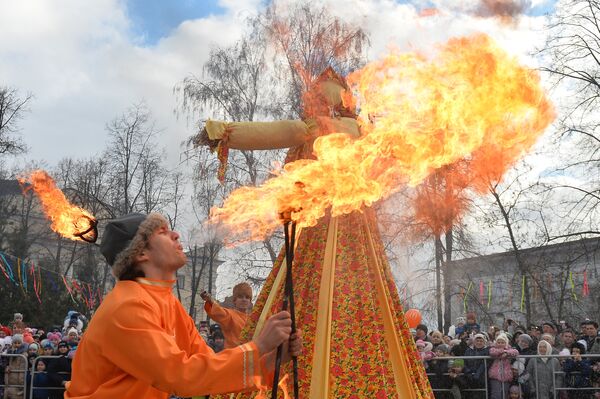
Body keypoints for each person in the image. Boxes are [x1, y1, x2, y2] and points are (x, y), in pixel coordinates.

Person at [198, 67, 432, 398]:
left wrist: (224, 132)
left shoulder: (314, 128)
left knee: (310, 287)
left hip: (320, 225)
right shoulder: (364, 132)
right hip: (355, 224)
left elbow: (276, 132)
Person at [65, 212, 301, 399]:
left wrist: (271, 361)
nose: (176, 235)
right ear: (141, 254)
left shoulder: (165, 301)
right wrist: (258, 346)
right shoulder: (127, 306)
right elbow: (181, 376)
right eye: (162, 232)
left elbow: (206, 369)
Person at [201, 282, 253, 348]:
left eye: (247, 297)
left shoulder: (252, 319)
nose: (244, 299)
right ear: (234, 300)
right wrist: (210, 300)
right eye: (240, 297)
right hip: (233, 355)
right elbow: (219, 311)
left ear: (250, 301)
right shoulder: (230, 314)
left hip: (249, 355)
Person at [489, 333, 519, 399]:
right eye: (498, 342)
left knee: (504, 394)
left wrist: (506, 352)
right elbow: (492, 352)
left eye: (502, 342)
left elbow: (516, 352)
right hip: (495, 375)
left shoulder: (509, 349)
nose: (500, 344)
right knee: (496, 394)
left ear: (506, 343)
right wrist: (502, 351)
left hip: (506, 375)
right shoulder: (493, 348)